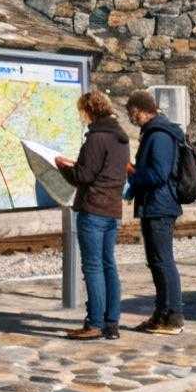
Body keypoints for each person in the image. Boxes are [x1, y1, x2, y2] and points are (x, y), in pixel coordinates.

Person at [55, 89, 130, 340]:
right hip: (112, 210)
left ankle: (95, 323)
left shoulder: (96, 139)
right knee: (109, 265)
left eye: (82, 112)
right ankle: (112, 323)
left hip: (93, 209)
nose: (82, 117)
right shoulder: (121, 138)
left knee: (94, 267)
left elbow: (84, 176)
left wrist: (63, 168)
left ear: (89, 111)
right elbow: (104, 171)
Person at [122, 89, 185, 334]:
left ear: (143, 110)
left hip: (160, 205)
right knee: (157, 262)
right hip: (155, 204)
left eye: (132, 114)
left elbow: (159, 174)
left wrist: (133, 173)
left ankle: (173, 316)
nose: (131, 119)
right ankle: (161, 314)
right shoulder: (155, 132)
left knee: (163, 261)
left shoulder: (158, 135)